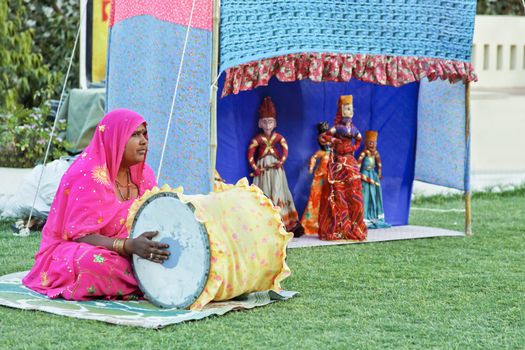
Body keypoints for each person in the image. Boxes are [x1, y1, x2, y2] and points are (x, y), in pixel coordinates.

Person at [22, 109, 170, 300]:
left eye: (144, 134)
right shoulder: (87, 175)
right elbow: (80, 236)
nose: (143, 141)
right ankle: (145, 280)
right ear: (114, 139)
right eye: (134, 134)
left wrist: (148, 245)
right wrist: (128, 246)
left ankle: (142, 277)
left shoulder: (143, 174)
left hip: (133, 249)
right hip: (84, 248)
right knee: (93, 263)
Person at [247, 97, 303, 237]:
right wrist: (255, 168)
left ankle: (284, 221)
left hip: (276, 170)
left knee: (278, 191)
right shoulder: (257, 139)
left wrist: (281, 161)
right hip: (263, 172)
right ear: (260, 123)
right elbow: (250, 154)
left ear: (275, 123)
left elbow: (285, 148)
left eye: (270, 122)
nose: (267, 125)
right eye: (265, 122)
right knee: (263, 191)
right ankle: (264, 222)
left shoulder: (278, 137)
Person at [318, 95, 367, 241]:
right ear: (341, 110)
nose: (348, 112)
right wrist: (334, 141)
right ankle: (340, 225)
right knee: (338, 191)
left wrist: (354, 147)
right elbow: (324, 137)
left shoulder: (353, 128)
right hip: (339, 161)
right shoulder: (337, 128)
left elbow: (359, 139)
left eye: (350, 109)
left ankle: (354, 224)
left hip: (350, 160)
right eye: (346, 109)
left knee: (354, 188)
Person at [300, 122, 331, 235]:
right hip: (320, 177)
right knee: (315, 197)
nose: (325, 139)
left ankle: (329, 222)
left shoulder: (333, 153)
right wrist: (311, 167)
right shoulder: (321, 153)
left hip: (331, 178)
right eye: (322, 136)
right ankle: (311, 222)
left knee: (329, 199)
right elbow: (313, 158)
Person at [357, 130, 391, 229]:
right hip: (364, 175)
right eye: (370, 142)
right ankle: (364, 217)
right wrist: (360, 175)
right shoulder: (364, 153)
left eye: (374, 142)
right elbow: (358, 164)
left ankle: (375, 216)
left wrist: (379, 174)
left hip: (373, 175)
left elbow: (379, 164)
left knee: (375, 197)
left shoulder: (375, 153)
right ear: (366, 143)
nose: (372, 144)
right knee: (365, 196)